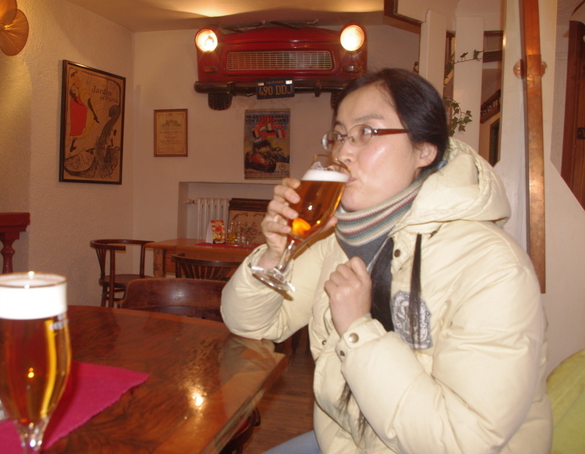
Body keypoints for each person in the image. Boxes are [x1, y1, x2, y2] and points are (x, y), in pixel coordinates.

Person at [221, 68, 552, 453]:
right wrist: (275, 253)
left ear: (424, 150)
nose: (343, 153)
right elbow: (251, 324)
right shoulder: (337, 240)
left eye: (367, 132)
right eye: (340, 135)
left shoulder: (493, 266)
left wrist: (357, 330)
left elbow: (464, 441)